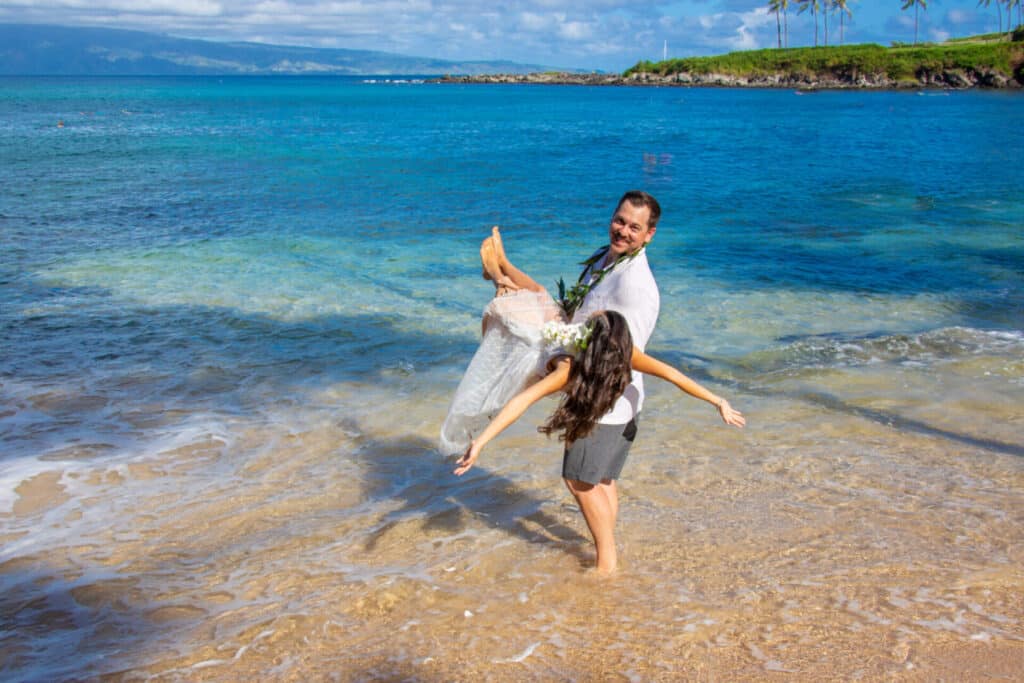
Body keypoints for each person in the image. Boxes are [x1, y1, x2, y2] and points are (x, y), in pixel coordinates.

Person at [452, 309, 745, 574]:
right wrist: (717, 401)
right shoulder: (626, 353)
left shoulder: (569, 368)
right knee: (603, 480)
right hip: (627, 421)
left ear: (589, 343)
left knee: (578, 481)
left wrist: (481, 442)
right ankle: (607, 543)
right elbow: (673, 374)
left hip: (597, 425)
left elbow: (522, 400)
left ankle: (606, 562)